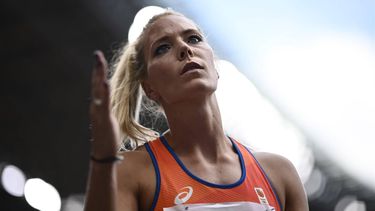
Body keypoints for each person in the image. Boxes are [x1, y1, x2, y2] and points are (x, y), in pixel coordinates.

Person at [84, 10, 309, 211]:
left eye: (194, 38)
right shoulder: (132, 172)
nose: (184, 48)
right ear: (150, 88)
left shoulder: (279, 174)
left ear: (215, 65)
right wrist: (103, 160)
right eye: (162, 48)